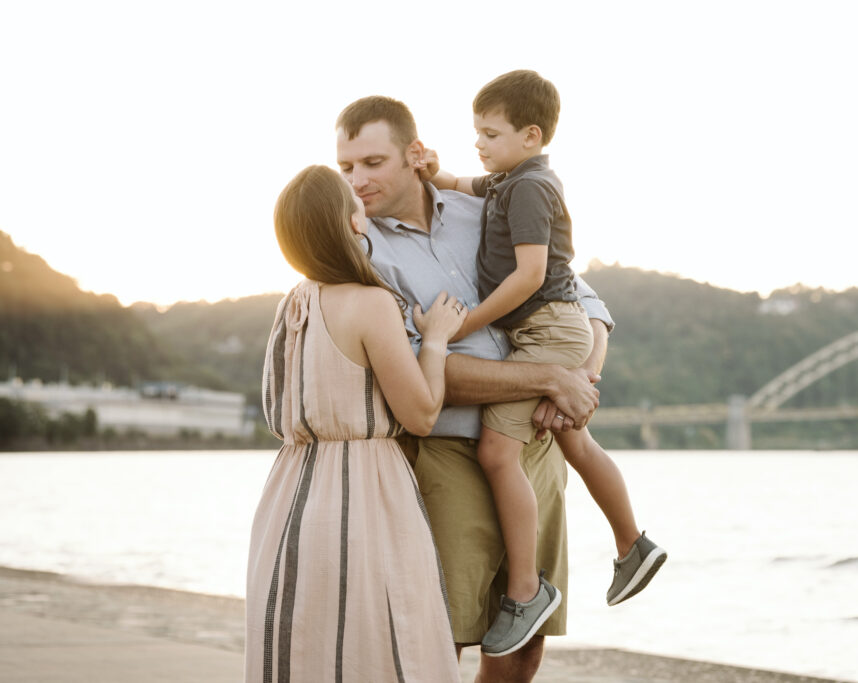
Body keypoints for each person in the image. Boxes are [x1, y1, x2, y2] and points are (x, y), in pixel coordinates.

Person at [335, 95, 607, 682]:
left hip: (537, 448)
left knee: (523, 643)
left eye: (373, 162)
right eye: (347, 168)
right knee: (439, 637)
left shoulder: (486, 203)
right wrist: (552, 376)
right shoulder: (364, 254)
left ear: (414, 154)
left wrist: (585, 374)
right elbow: (416, 372)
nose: (358, 181)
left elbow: (578, 295)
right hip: (452, 454)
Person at [423, 70, 667, 656]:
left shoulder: (531, 188)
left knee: (497, 451)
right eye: (475, 132)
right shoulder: (513, 178)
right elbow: (471, 183)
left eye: (490, 133)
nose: (478, 144)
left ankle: (526, 591)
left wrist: (466, 323)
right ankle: (632, 543)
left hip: (546, 327)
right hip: (555, 328)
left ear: (530, 135)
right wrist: (440, 177)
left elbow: (530, 275)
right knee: (573, 440)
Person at [244, 165, 465, 683]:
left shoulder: (291, 304)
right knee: (385, 647)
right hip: (365, 497)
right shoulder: (371, 304)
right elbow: (422, 414)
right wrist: (435, 339)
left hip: (288, 499)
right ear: (351, 223)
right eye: (357, 205)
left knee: (305, 653)